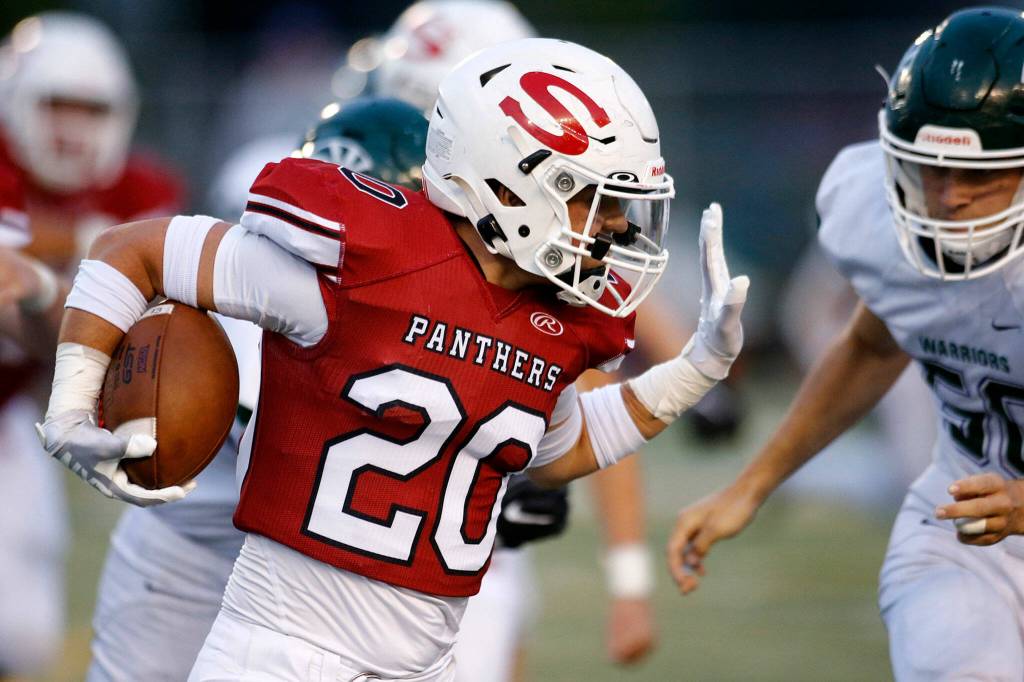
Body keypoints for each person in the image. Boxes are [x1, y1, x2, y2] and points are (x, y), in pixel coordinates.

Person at [38, 38, 747, 680]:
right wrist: (72, 403)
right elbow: (131, 250)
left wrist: (698, 367)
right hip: (279, 653)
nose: (617, 229)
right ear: (512, 186)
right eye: (597, 200)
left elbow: (562, 448)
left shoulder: (553, 322)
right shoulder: (363, 261)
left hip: (425, 666)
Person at [669, 8, 1024, 680]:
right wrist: (752, 486)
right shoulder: (878, 218)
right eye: (930, 169)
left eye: (982, 175)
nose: (948, 199)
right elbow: (871, 346)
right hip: (961, 530)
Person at [0, 12, 182, 680]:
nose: (73, 129)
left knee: (24, 636)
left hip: (10, 411)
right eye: (56, 105)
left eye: (92, 109)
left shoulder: (139, 189)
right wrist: (77, 253)